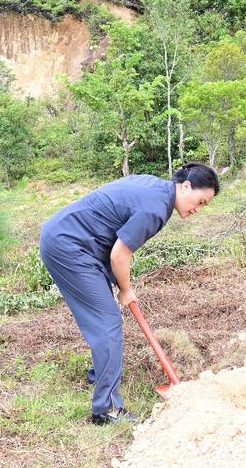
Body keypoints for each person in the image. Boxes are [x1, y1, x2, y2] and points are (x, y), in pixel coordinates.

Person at [39, 164, 220, 424]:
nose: (198, 209)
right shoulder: (155, 209)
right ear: (186, 186)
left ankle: (99, 372)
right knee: (107, 320)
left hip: (76, 239)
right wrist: (126, 290)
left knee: (104, 317)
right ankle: (107, 409)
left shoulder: (156, 188)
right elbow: (120, 254)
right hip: (70, 245)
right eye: (200, 202)